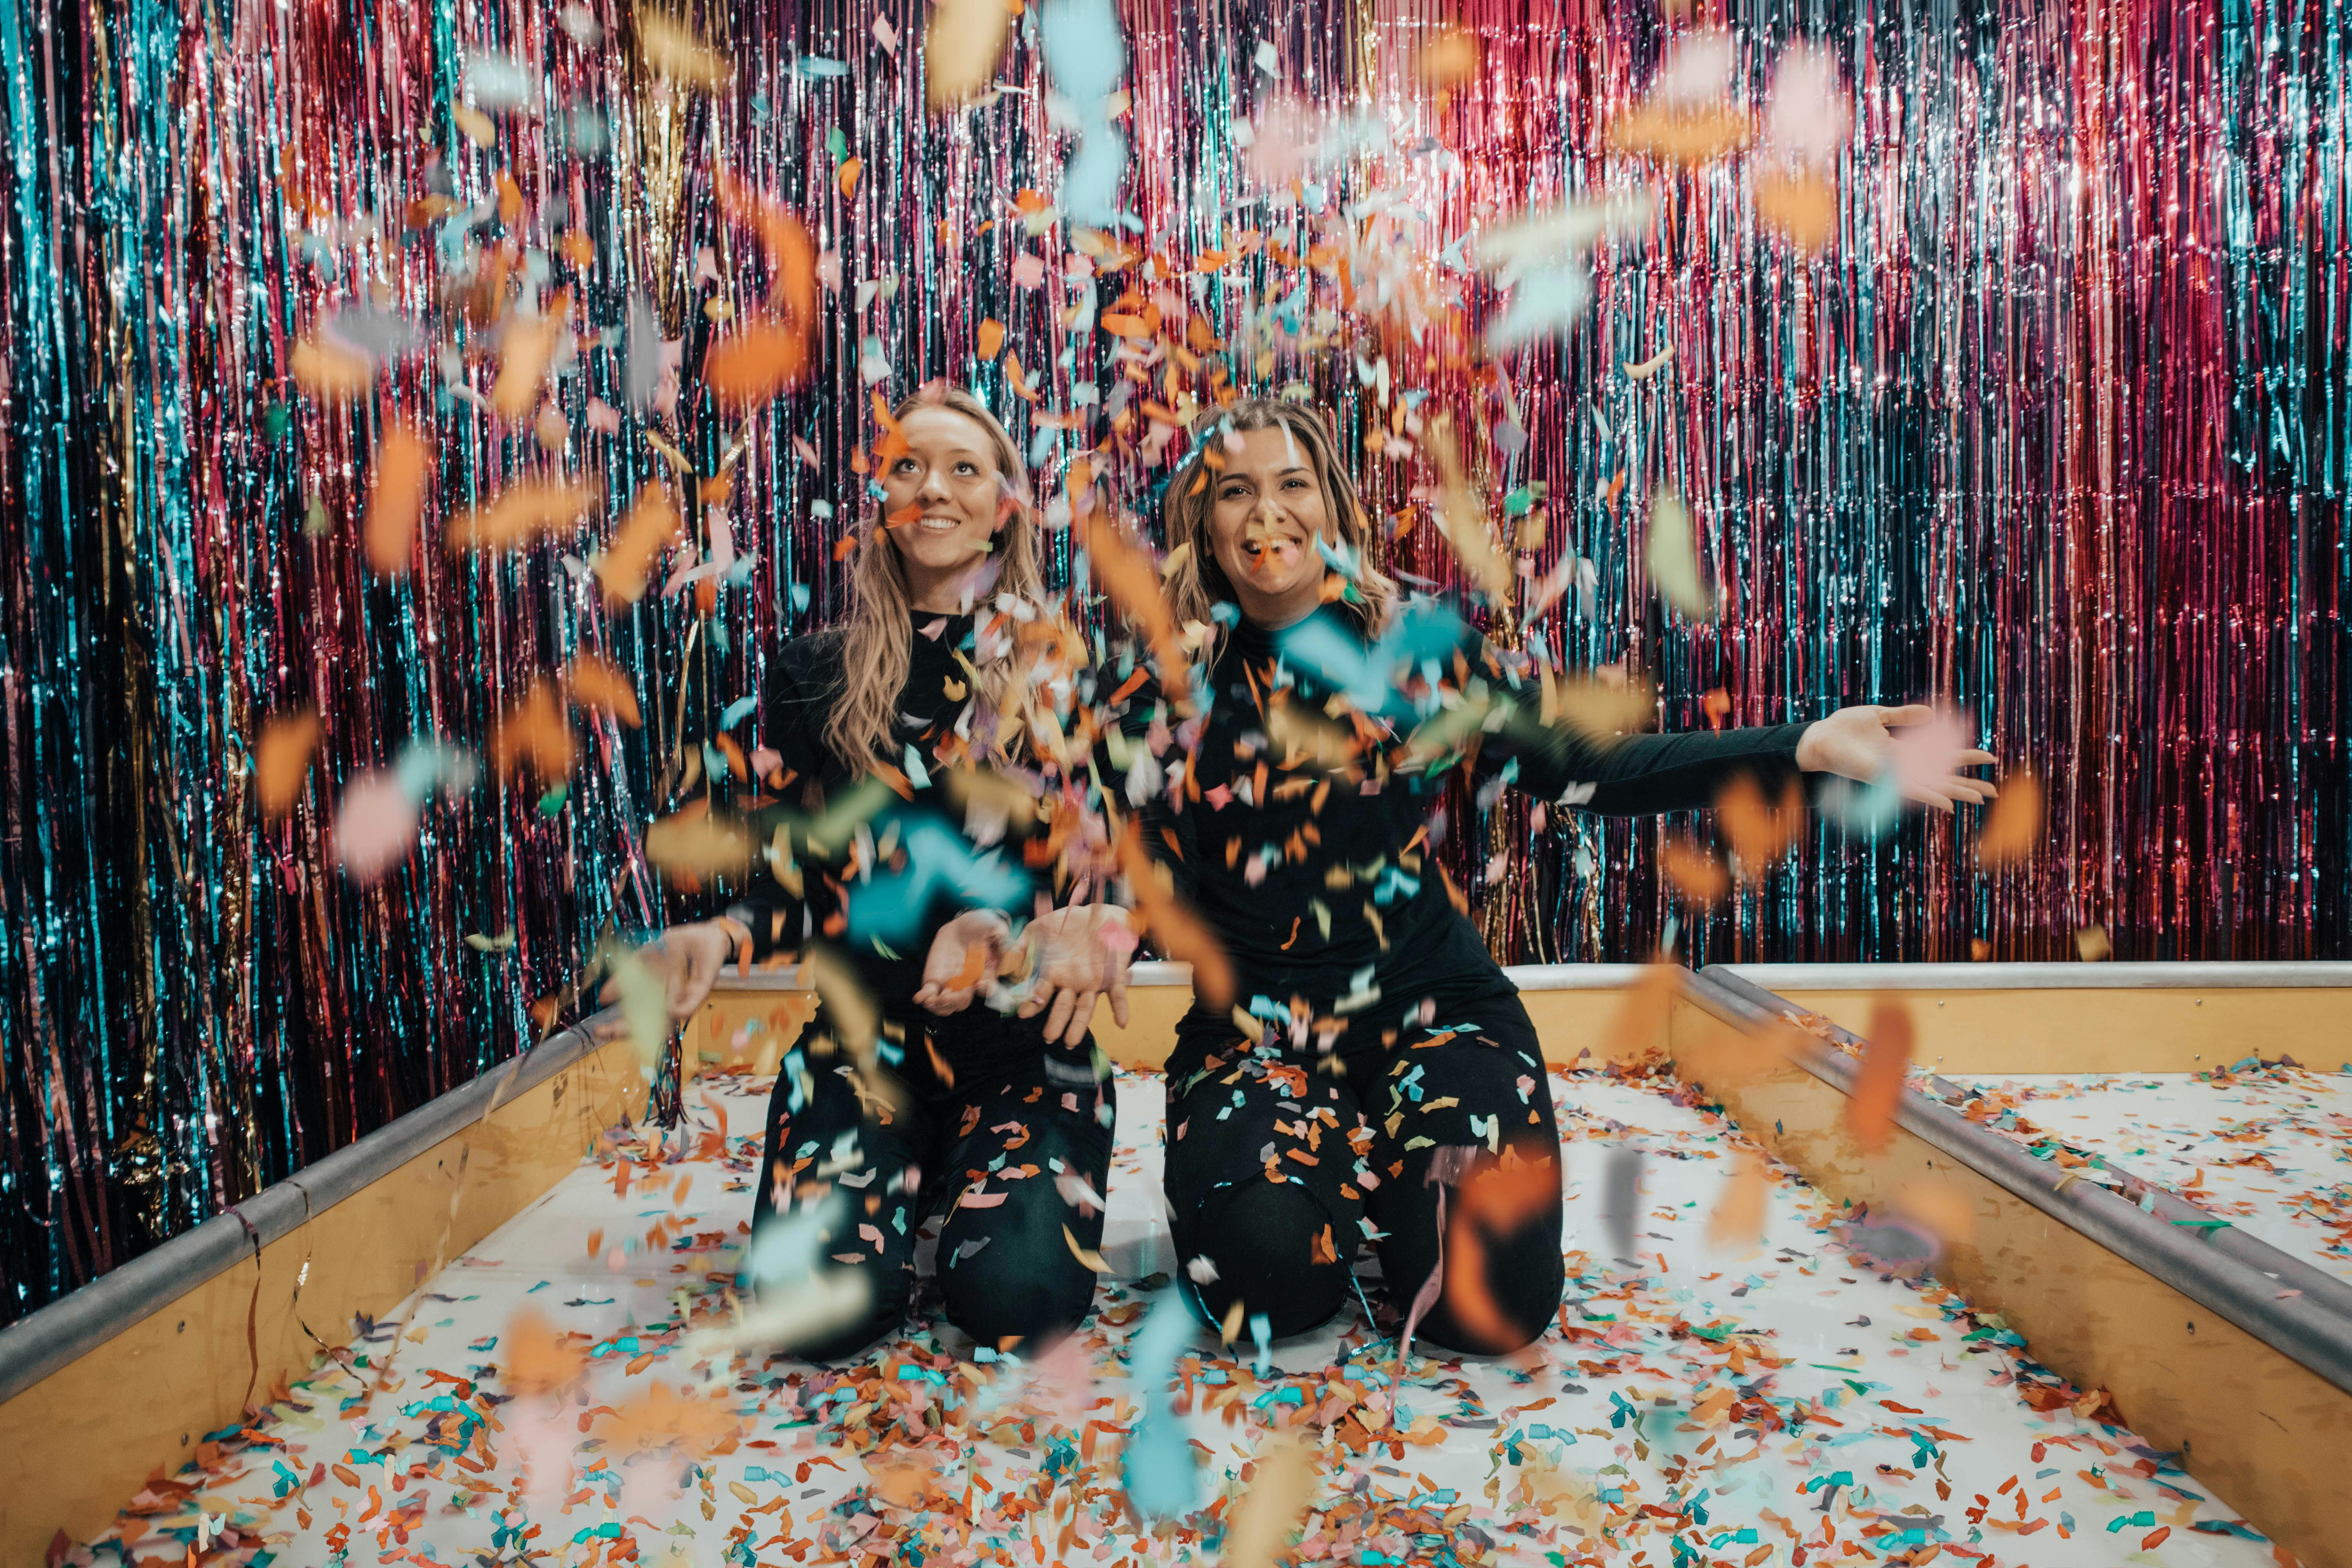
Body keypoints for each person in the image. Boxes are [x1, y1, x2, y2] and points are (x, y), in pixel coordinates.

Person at [1056, 396, 1997, 1356]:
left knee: (1487, 1301)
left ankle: (1398, 1177)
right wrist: (1087, 916)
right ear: (1202, 522)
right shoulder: (1149, 685)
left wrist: (1798, 745)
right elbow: (1114, 855)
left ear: (1332, 507)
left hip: (1436, 1010)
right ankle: (1326, 1181)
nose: (1269, 511)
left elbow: (1585, 768)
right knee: (1267, 1285)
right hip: (1257, 1031)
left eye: (1294, 482)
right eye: (1236, 489)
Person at [623, 384, 1126, 1358]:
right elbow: (791, 880)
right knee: (822, 1316)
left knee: (1017, 1300)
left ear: (1005, 507)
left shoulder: (1068, 671)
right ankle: (908, 1172)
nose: (933, 488)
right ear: (883, 501)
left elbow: (1106, 873)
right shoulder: (812, 673)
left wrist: (1067, 930)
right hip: (863, 1051)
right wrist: (717, 936)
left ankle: (966, 1176)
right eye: (908, 466)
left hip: (1023, 1056)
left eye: (964, 468)